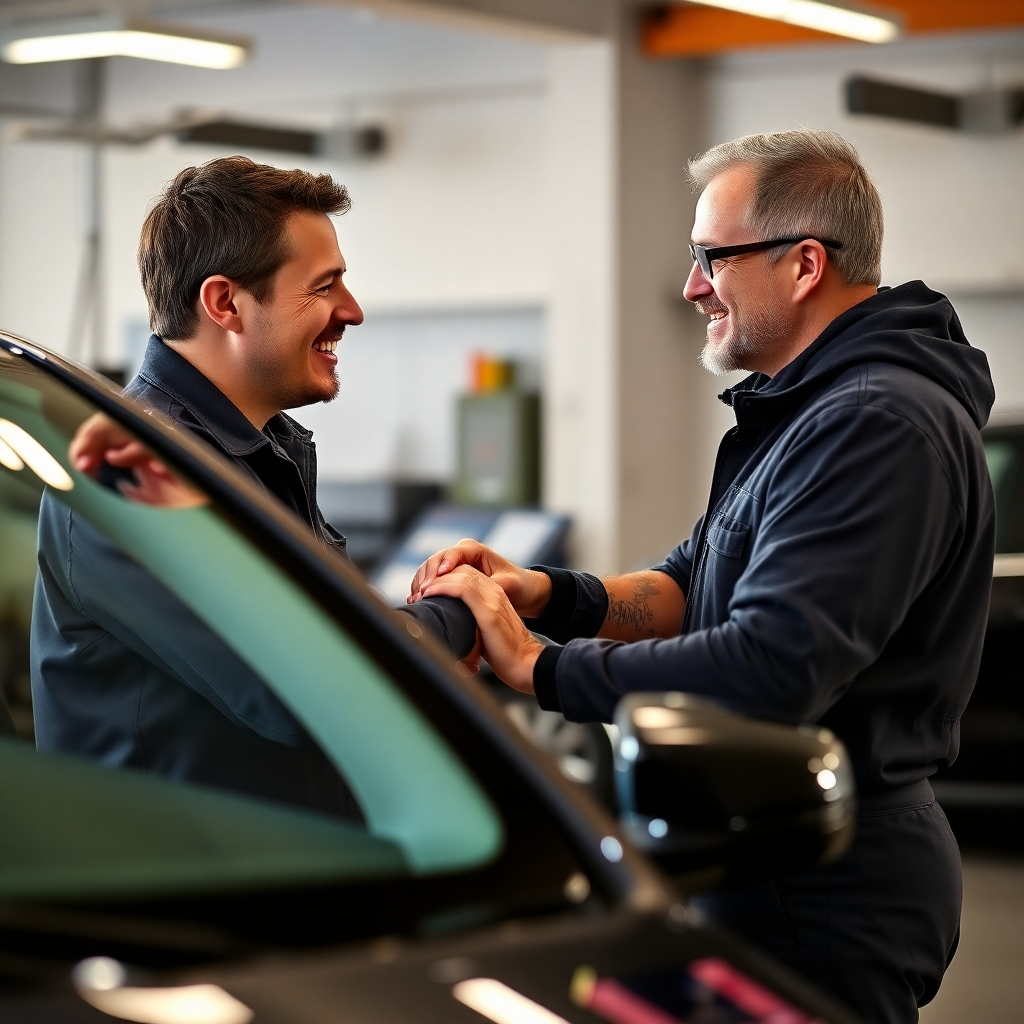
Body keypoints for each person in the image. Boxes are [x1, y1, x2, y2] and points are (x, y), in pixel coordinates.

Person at [409, 130, 995, 1023]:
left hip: (825, 873)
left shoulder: (873, 423)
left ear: (804, 265)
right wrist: (549, 595)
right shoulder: (812, 411)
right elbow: (692, 584)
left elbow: (772, 665)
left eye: (710, 258)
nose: (691, 287)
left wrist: (538, 668)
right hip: (771, 850)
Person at [31, 156, 469, 819]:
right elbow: (308, 690)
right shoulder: (130, 471)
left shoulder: (263, 453)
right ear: (225, 303)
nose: (350, 311)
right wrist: (461, 618)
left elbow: (328, 638)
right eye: (323, 287)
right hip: (190, 901)